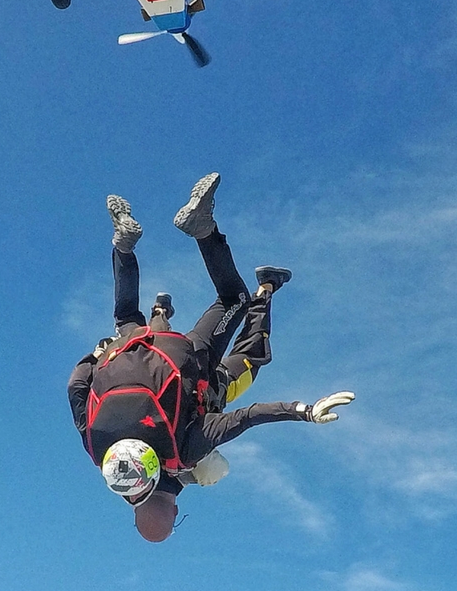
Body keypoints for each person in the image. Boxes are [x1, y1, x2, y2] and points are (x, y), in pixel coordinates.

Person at [67, 173, 355, 542]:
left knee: (236, 308)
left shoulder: (183, 451)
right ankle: (123, 247)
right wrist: (95, 356)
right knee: (126, 318)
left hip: (188, 361)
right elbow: (77, 386)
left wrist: (304, 411)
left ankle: (207, 232)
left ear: (173, 510)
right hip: (127, 348)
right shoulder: (99, 449)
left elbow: (248, 417)